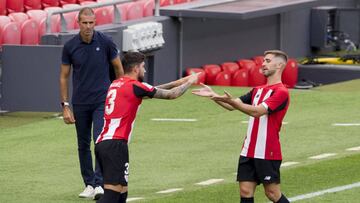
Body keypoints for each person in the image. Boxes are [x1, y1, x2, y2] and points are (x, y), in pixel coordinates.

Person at [94, 51, 199, 203]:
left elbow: (150, 90)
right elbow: (172, 95)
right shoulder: (135, 87)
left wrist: (179, 81)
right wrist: (191, 81)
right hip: (115, 145)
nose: (145, 70)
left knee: (122, 193)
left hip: (105, 143)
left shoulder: (117, 84)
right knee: (112, 194)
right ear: (136, 69)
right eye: (143, 67)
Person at [192, 50, 290, 203]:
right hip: (248, 150)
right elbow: (232, 106)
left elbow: (258, 112)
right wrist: (213, 95)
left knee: (272, 193)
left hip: (267, 151)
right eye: (263, 60)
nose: (263, 64)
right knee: (245, 191)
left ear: (279, 65)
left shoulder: (281, 92)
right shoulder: (257, 90)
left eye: (268, 61)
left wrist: (233, 102)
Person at [59, 7, 124, 200]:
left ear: (95, 23)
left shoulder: (106, 42)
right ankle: (89, 183)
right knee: (83, 144)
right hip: (80, 103)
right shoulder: (70, 47)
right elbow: (63, 77)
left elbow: (118, 69)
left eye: (91, 23)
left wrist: (119, 95)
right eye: (84, 23)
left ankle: (100, 182)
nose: (88, 27)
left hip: (101, 101)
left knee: (99, 141)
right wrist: (65, 105)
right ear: (77, 23)